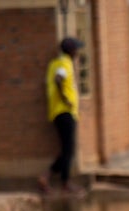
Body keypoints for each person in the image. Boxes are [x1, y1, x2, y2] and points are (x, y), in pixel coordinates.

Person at [39, 37, 84, 196]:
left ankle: (49, 177)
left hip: (57, 112)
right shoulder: (65, 63)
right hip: (64, 111)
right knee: (69, 149)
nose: (78, 53)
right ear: (70, 51)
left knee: (66, 149)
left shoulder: (54, 63)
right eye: (76, 49)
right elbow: (59, 79)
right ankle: (64, 182)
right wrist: (65, 98)